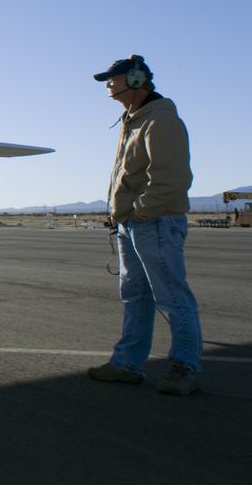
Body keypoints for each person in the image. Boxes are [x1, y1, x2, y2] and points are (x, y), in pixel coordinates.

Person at [87, 55, 203, 395]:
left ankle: (185, 366)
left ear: (136, 80)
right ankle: (125, 364)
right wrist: (122, 214)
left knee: (171, 295)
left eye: (113, 78)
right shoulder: (133, 120)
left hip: (155, 223)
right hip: (132, 224)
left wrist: (140, 212)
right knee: (134, 296)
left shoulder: (160, 121)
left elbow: (173, 178)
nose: (108, 84)